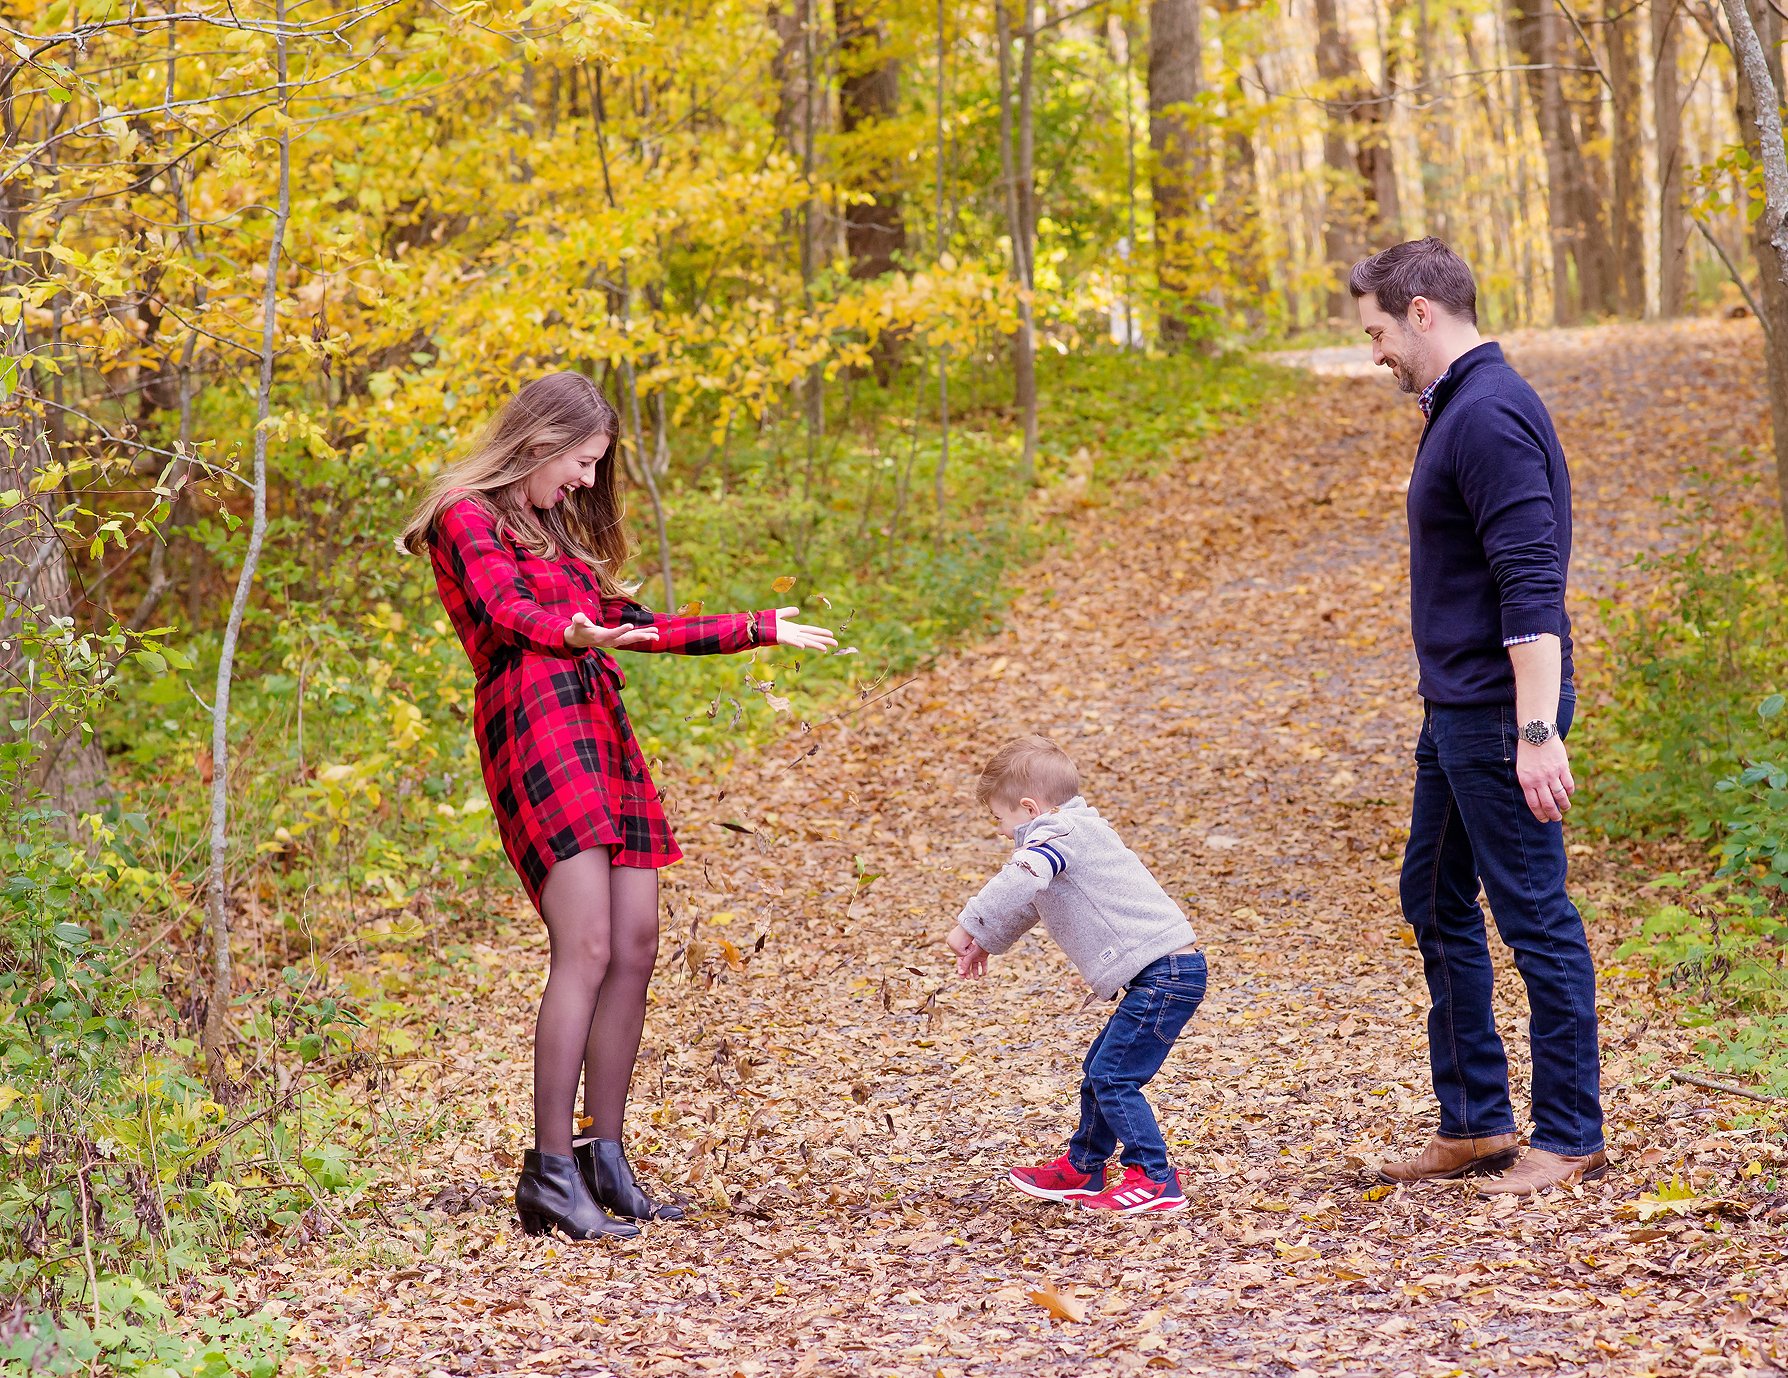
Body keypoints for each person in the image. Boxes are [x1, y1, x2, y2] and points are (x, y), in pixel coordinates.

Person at [400, 372, 837, 1240]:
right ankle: (550, 1172)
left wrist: (756, 627)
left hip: (598, 720)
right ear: (538, 442)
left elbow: (630, 624)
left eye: (598, 465)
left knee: (636, 941)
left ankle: (606, 1159)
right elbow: (502, 606)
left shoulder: (552, 529)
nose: (589, 482)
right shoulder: (466, 513)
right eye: (583, 461)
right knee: (587, 944)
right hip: (533, 715)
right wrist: (570, 633)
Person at [1349, 239, 1606, 1195]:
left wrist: (1537, 732)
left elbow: (1532, 584)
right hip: (1458, 708)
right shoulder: (1458, 406)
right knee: (1435, 896)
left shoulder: (1489, 416)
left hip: (1502, 714)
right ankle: (1477, 1122)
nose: (1373, 352)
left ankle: (1570, 1134)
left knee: (1534, 914)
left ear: (1422, 312)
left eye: (1377, 331)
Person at [942, 737, 1204, 1215]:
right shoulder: (1069, 835)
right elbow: (1030, 900)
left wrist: (969, 921)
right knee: (1098, 1071)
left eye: (1000, 820)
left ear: (1029, 807)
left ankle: (1155, 1177)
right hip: (1163, 974)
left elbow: (1022, 876)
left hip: (1166, 974)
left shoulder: (1061, 833)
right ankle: (1085, 1167)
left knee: (1114, 1076)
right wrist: (986, 939)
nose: (1001, 832)